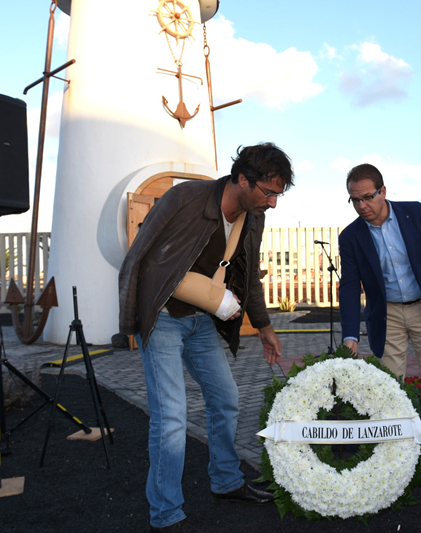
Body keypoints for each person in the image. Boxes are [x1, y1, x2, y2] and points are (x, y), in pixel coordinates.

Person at [118, 143, 294, 533]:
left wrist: (265, 328)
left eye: (277, 195)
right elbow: (140, 255)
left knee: (226, 399)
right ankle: (166, 514)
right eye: (268, 192)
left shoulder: (253, 218)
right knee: (171, 417)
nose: (272, 203)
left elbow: (249, 277)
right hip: (163, 318)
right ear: (242, 179)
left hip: (201, 322)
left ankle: (226, 482)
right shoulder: (184, 198)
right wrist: (130, 319)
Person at [338, 163, 421, 479]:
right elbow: (350, 286)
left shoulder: (416, 214)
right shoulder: (350, 237)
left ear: (383, 191)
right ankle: (392, 452)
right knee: (387, 387)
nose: (361, 206)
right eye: (354, 200)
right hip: (387, 315)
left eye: (367, 197)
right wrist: (350, 334)